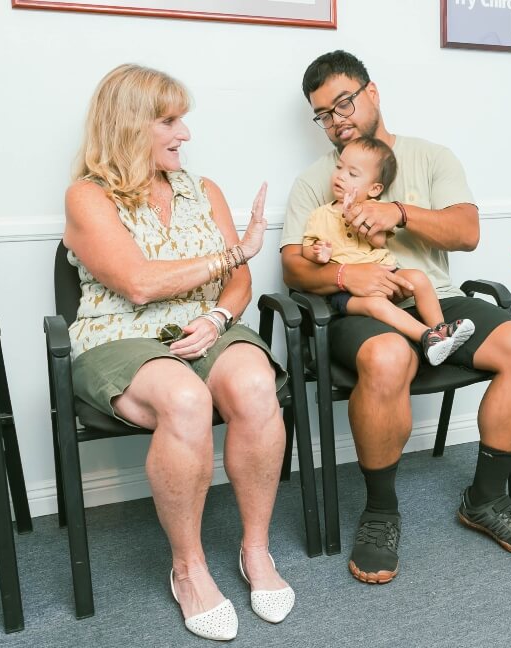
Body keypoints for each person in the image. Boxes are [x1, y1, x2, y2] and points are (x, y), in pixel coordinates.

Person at [280, 50, 511, 584]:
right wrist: (342, 277)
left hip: (436, 298)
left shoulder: (432, 157)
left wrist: (398, 213)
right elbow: (293, 266)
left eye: (344, 104)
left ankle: (486, 499)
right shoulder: (318, 180)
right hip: (361, 308)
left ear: (372, 93)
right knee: (386, 356)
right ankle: (380, 511)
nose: (336, 121)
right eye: (324, 114)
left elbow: (467, 233)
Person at [63, 64, 294, 640]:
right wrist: (232, 255)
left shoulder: (203, 189)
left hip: (204, 327)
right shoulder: (87, 197)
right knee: (187, 399)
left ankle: (256, 551)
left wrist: (218, 315)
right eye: (168, 120)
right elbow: (137, 283)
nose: (184, 133)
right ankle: (188, 569)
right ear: (127, 125)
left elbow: (238, 282)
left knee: (256, 384)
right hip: (120, 335)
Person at [301, 135, 476, 366]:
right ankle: (427, 337)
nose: (341, 176)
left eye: (352, 174)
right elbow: (306, 247)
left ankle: (441, 330)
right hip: (346, 293)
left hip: (387, 274)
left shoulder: (374, 210)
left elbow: (379, 241)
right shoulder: (321, 215)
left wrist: (356, 217)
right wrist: (317, 253)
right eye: (339, 168)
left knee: (419, 278)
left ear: (374, 189)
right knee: (376, 305)